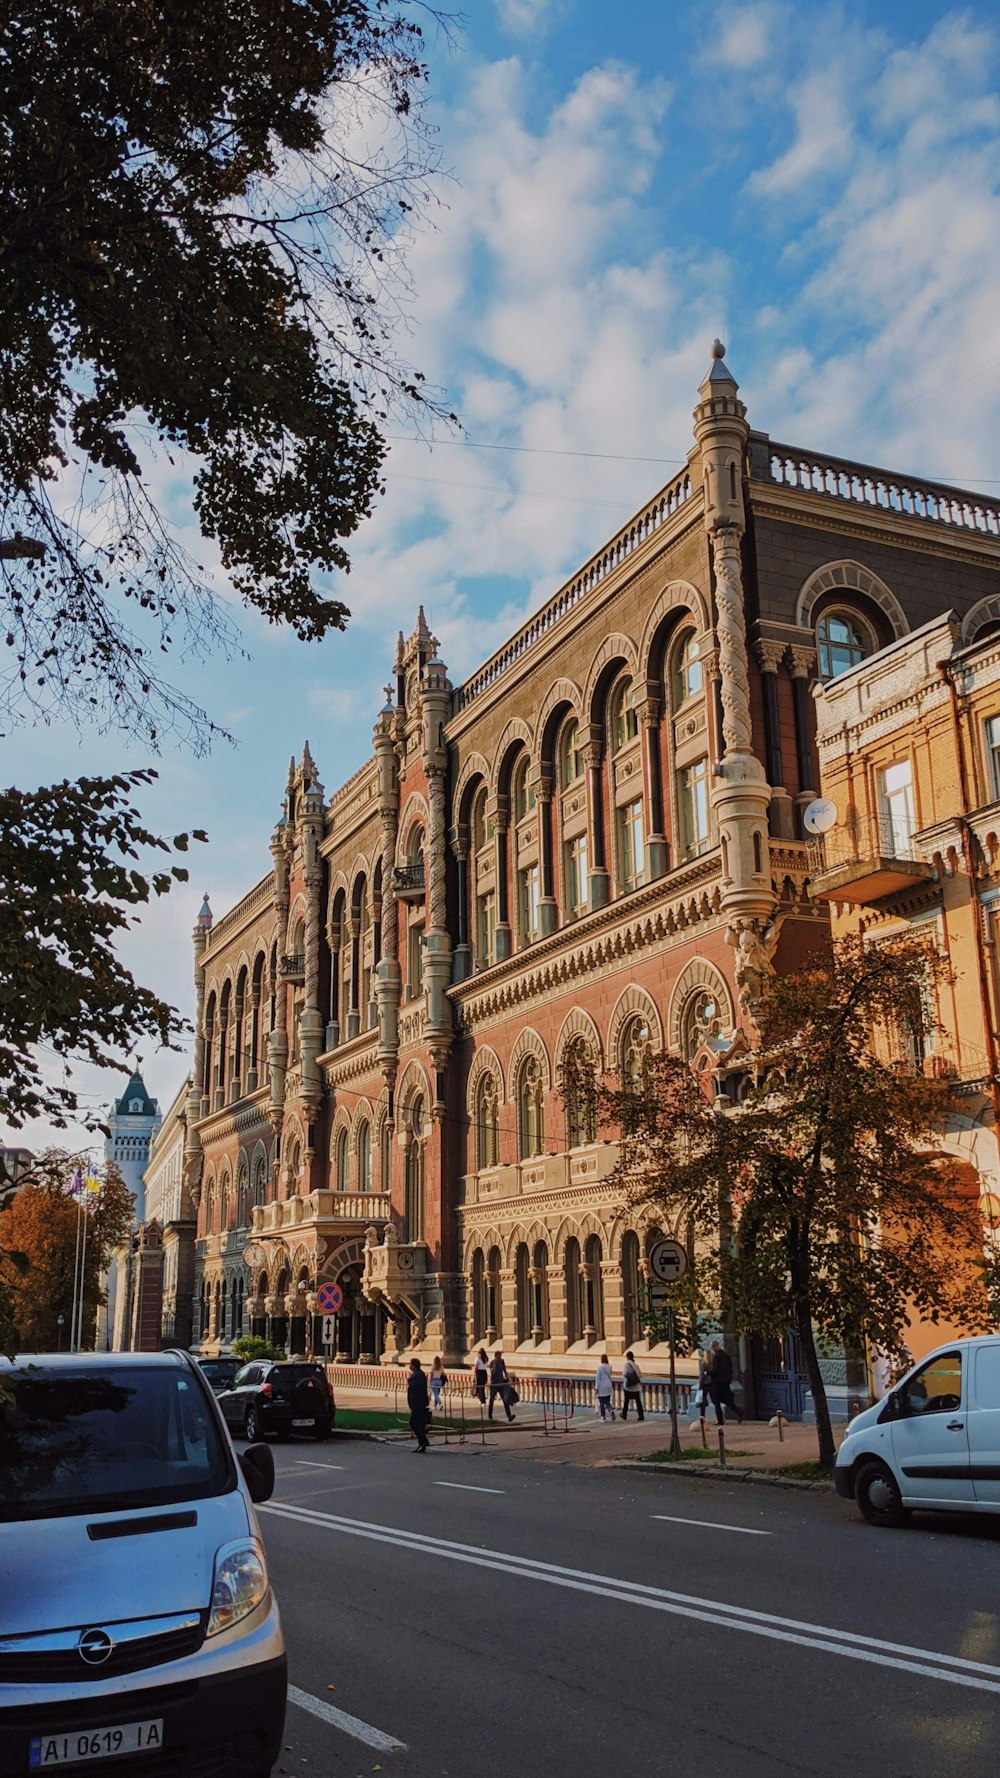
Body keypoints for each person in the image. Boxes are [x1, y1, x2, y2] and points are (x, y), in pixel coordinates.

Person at [709, 1340, 744, 1425]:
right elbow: (730, 1368)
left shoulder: (716, 1357)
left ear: (713, 1347)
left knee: (716, 1401)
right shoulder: (726, 1356)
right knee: (727, 1400)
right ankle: (739, 1412)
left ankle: (720, 1420)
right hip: (726, 1381)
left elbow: (715, 1370)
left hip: (718, 1383)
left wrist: (708, 1373)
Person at [407, 1357, 431, 1453]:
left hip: (418, 1403)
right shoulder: (417, 1374)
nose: (409, 1365)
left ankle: (423, 1441)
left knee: (413, 1423)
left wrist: (409, 1379)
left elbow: (414, 1386)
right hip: (417, 1403)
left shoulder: (418, 1375)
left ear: (414, 1365)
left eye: (410, 1364)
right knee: (419, 1424)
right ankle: (422, 1443)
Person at [488, 1349, 514, 1421]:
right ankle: (490, 1415)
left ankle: (509, 1416)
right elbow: (492, 1372)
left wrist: (508, 1379)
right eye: (499, 1356)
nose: (500, 1357)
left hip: (501, 1383)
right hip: (494, 1384)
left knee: (505, 1400)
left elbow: (504, 1371)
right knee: (491, 1400)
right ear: (496, 1356)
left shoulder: (502, 1361)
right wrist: (495, 1363)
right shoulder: (492, 1362)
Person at [621, 1350, 644, 1421]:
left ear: (627, 1357)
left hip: (628, 1386)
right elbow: (640, 1375)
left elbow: (624, 1373)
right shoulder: (636, 1365)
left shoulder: (627, 1364)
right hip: (636, 1387)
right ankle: (641, 1415)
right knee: (638, 1402)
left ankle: (624, 1414)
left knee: (626, 1401)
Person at [595, 1354, 615, 1421]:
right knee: (607, 1401)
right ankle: (611, 1410)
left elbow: (598, 1379)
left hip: (601, 1387)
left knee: (602, 1403)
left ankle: (603, 1417)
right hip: (608, 1386)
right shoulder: (610, 1367)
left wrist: (596, 1388)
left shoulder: (600, 1368)